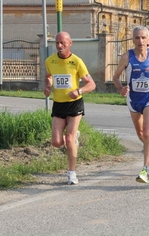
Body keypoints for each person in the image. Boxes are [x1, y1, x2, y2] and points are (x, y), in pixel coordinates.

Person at [113, 26, 149, 184]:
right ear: (133, 40)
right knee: (140, 134)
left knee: (146, 131)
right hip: (133, 100)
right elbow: (115, 77)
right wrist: (121, 89)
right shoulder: (127, 57)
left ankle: (145, 170)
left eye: (144, 38)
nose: (140, 41)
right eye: (137, 38)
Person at [44, 31, 96, 185]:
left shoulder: (77, 62)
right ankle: (73, 140)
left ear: (70, 43)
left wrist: (78, 91)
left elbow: (92, 84)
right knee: (56, 142)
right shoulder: (50, 61)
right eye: (57, 43)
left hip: (74, 104)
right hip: (59, 104)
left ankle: (72, 173)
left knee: (69, 138)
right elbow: (48, 75)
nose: (59, 46)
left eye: (63, 43)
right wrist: (48, 85)